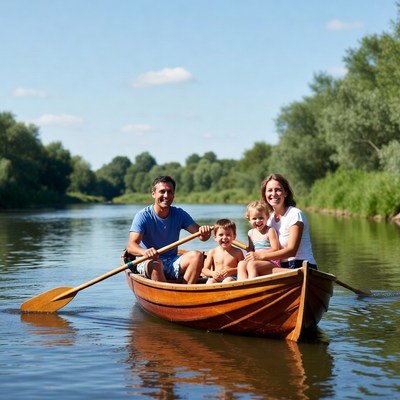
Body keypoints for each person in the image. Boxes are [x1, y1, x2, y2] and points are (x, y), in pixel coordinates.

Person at [126, 176, 212, 283]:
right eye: (162, 191)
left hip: (172, 260)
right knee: (156, 264)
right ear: (153, 194)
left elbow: (202, 237)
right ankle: (168, 294)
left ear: (173, 195)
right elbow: (131, 247)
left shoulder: (179, 214)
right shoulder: (143, 216)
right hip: (148, 261)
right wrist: (144, 252)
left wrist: (205, 232)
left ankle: (185, 292)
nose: (166, 195)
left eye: (169, 192)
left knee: (197, 256)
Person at [243, 173, 317, 274]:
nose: (273, 194)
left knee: (253, 265)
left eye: (278, 190)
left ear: (286, 193)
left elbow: (292, 251)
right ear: (265, 194)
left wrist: (260, 256)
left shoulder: (295, 214)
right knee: (245, 265)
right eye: (269, 190)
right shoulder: (269, 219)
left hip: (301, 265)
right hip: (280, 267)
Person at [237, 201, 280, 280]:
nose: (258, 221)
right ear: (249, 220)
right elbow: (251, 250)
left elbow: (275, 249)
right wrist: (249, 254)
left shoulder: (270, 230)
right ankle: (241, 286)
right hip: (257, 260)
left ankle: (252, 286)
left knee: (251, 265)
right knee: (241, 264)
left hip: (271, 261)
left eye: (261, 218)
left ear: (267, 217)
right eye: (254, 218)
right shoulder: (250, 233)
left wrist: (258, 254)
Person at [201, 219, 244, 284]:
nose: (224, 237)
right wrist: (212, 273)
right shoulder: (212, 252)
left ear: (234, 236)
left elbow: (244, 268)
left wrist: (231, 271)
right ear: (215, 237)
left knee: (227, 280)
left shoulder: (238, 252)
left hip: (232, 278)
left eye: (228, 235)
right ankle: (211, 294)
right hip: (216, 278)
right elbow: (204, 270)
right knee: (210, 281)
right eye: (221, 235)